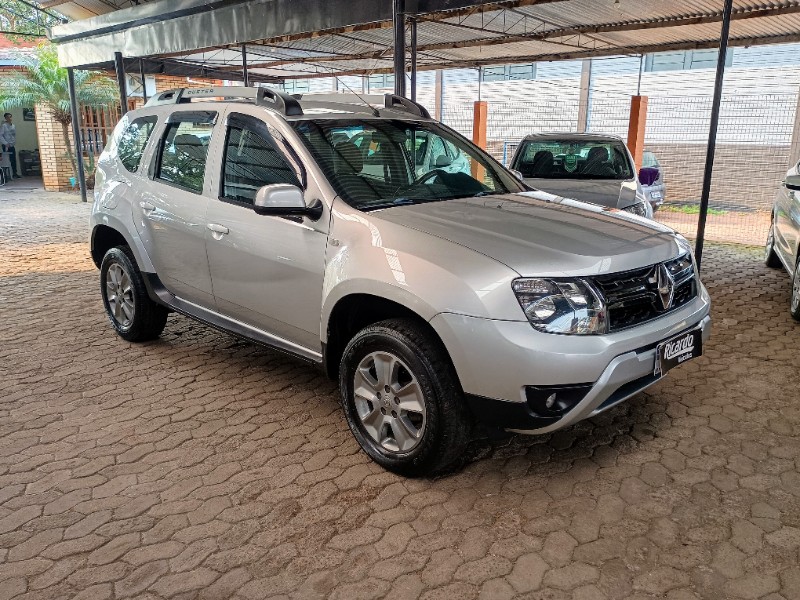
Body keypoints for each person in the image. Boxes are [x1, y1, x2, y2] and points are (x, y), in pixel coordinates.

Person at [0, 113, 19, 179]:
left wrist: (13, 143)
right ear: (5, 118)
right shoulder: (4, 126)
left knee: (13, 160)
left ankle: (14, 173)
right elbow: (1, 135)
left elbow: (13, 135)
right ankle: (6, 175)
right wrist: (5, 143)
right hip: (6, 145)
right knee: (6, 161)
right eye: (8, 117)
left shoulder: (13, 126)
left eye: (10, 117)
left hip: (11, 145)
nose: (10, 118)